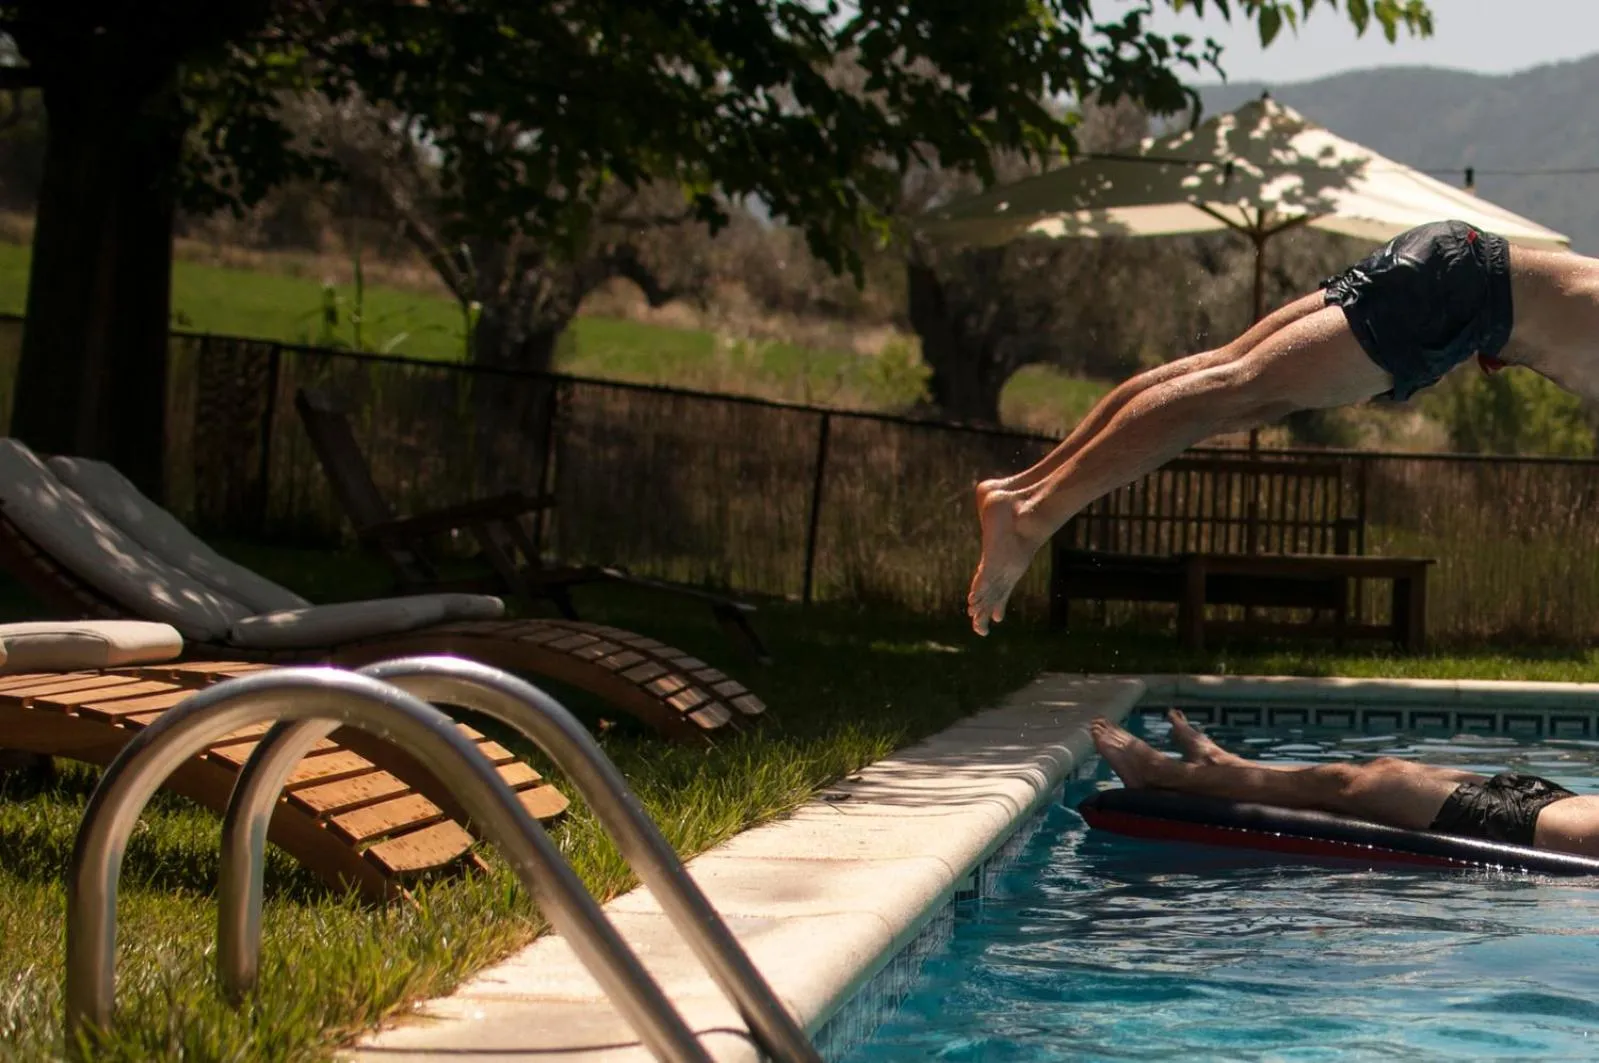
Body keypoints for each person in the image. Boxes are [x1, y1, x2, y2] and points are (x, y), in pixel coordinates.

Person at [966, 219, 1599, 635]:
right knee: (1234, 389)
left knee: (1233, 378)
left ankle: (1020, 491)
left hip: (1457, 260)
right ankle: (1034, 518)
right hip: (1459, 302)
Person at [1090, 709, 1599, 857]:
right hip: (1545, 796)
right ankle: (1226, 765)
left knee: (1351, 781)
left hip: (1519, 827)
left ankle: (1159, 774)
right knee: (1372, 770)